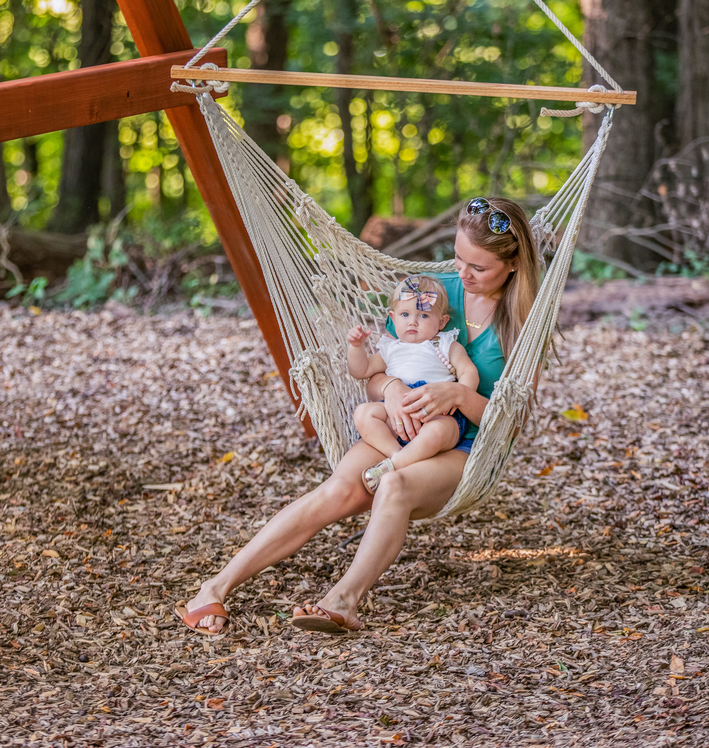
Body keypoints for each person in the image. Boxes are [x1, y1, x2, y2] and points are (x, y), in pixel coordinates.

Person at [176, 196, 539, 636]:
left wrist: (459, 395)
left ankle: (342, 601)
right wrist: (391, 391)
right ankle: (214, 588)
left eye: (477, 269)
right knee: (338, 491)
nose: (462, 273)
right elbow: (378, 370)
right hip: (396, 426)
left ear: (515, 263)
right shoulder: (432, 292)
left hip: (462, 445)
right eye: (459, 257)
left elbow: (509, 423)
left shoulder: (523, 323)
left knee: (396, 484)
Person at [347, 275, 479, 494]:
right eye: (405, 314)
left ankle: (394, 466)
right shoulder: (389, 348)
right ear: (393, 317)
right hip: (395, 413)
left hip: (436, 412)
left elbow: (468, 371)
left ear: (442, 322)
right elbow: (360, 371)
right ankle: (396, 454)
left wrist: (459, 393)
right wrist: (355, 347)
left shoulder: (446, 344)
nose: (413, 321)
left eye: (424, 315)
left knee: (439, 431)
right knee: (363, 413)